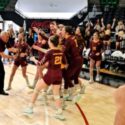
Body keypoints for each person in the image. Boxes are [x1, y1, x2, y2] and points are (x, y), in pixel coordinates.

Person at [24, 35, 67, 120]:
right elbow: (64, 64)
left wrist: (33, 59)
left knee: (36, 89)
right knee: (56, 94)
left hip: (51, 74)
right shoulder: (60, 52)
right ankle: (59, 112)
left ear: (51, 42)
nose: (47, 41)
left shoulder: (49, 52)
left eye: (49, 41)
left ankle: (30, 108)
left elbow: (40, 64)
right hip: (59, 74)